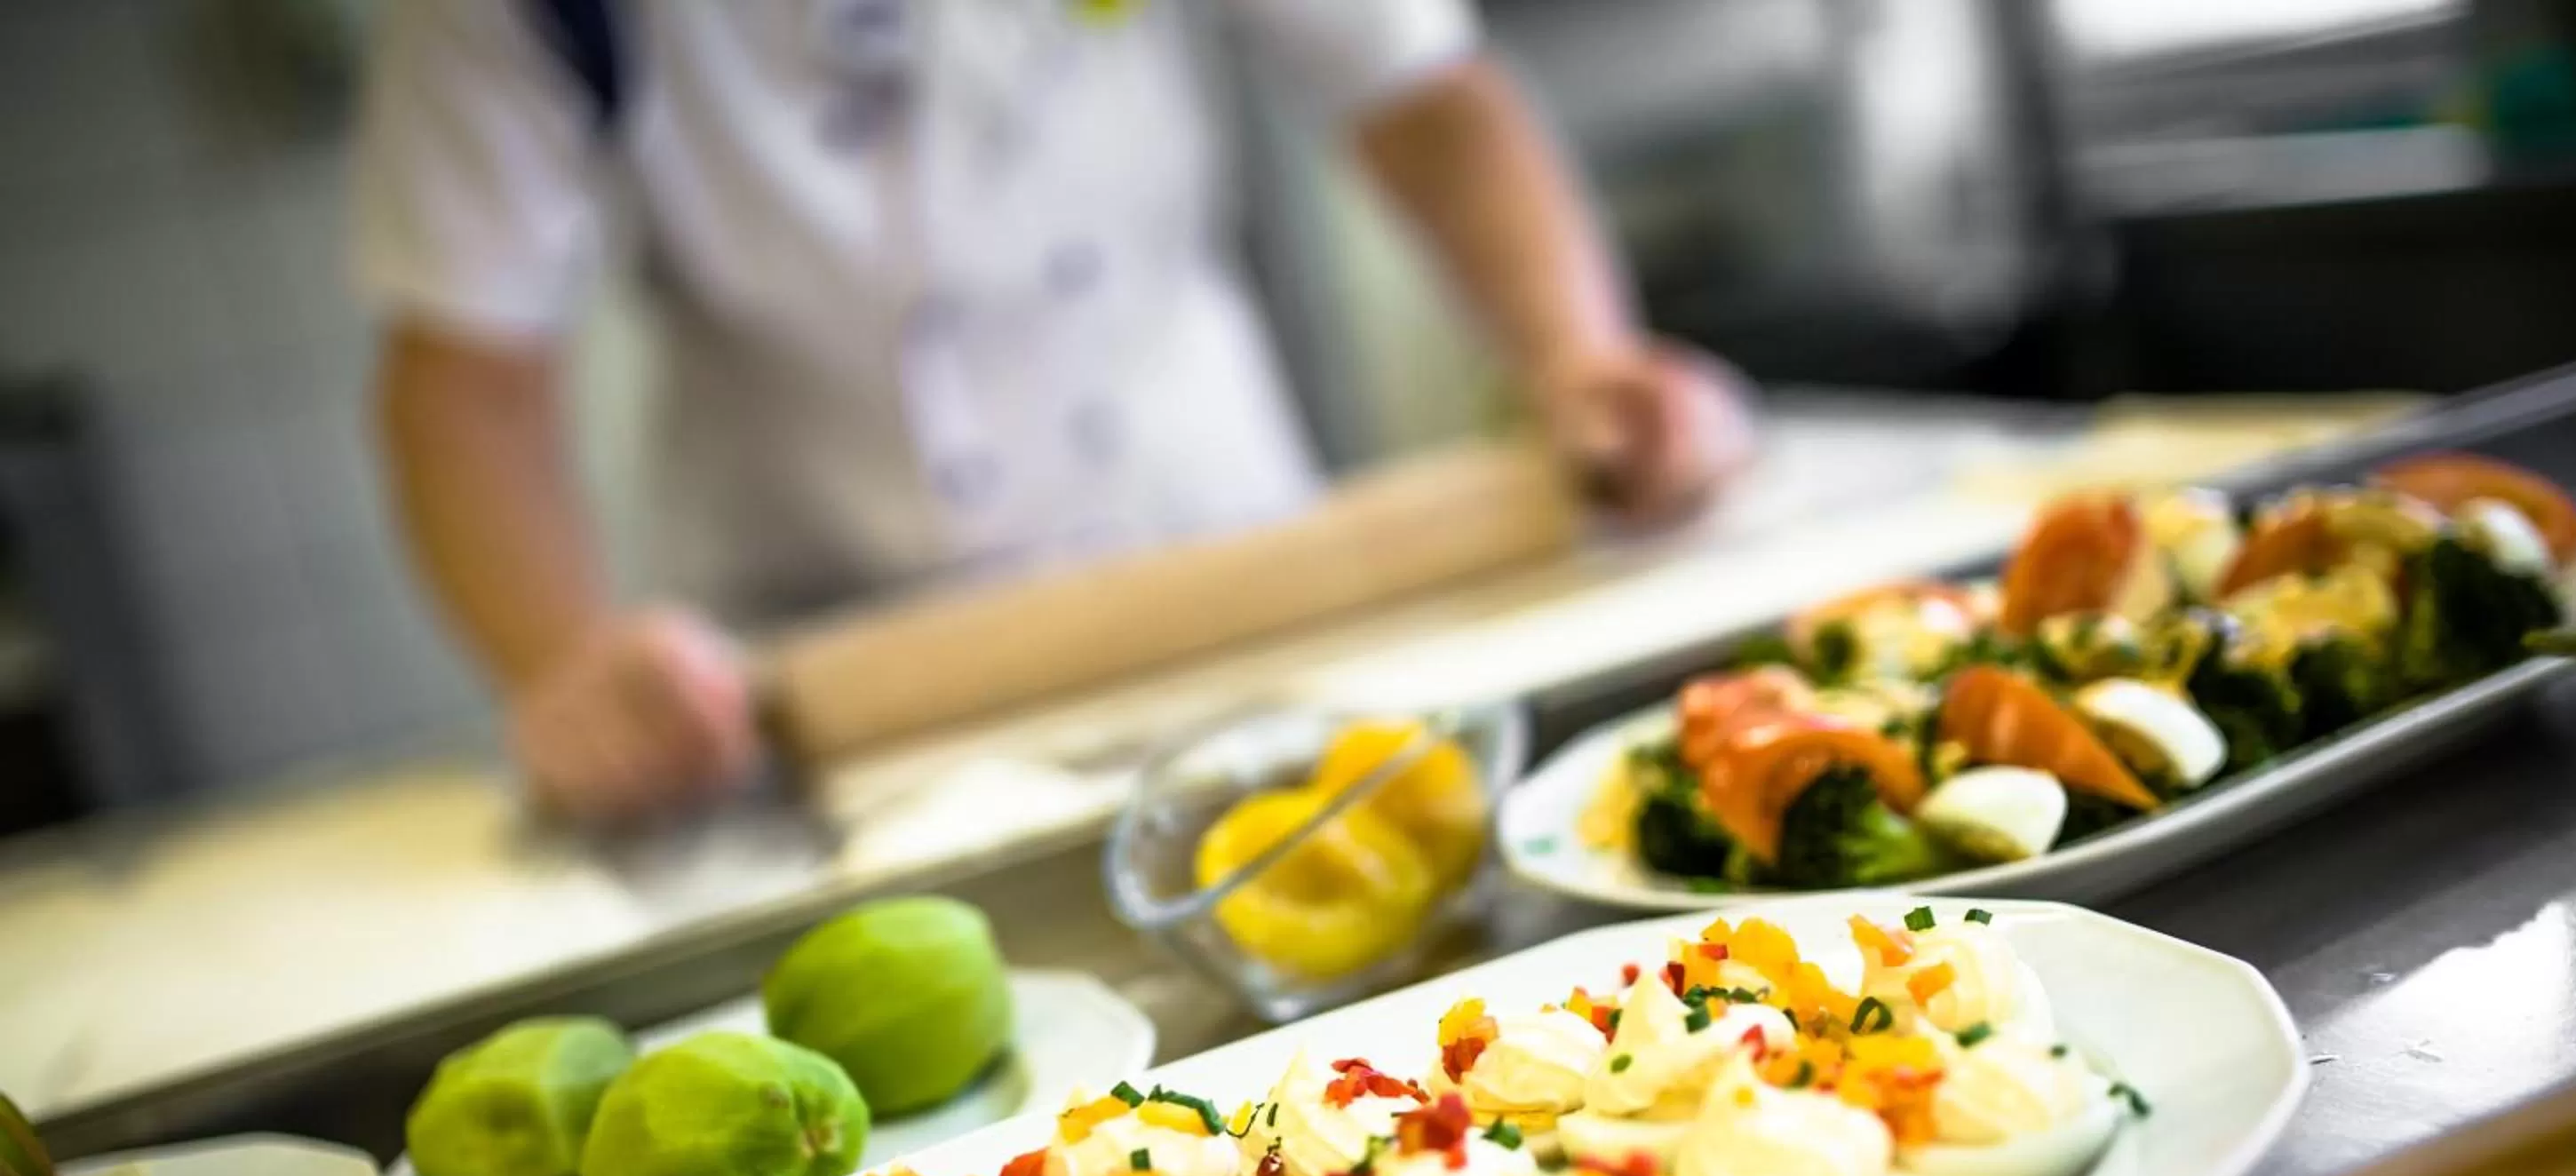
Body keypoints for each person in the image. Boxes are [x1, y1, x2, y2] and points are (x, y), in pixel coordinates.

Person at [355, 0, 1753, 819]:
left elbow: (1428, 100)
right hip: (818, 690)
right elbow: (465, 383)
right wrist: (562, 663)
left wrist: (1576, 355)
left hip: (1237, 571)